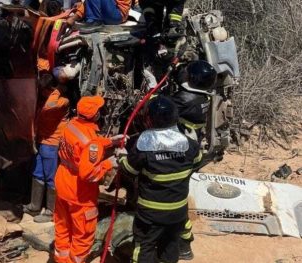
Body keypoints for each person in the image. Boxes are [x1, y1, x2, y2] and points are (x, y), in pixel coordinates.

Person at [118, 96, 202, 263]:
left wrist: (121, 158)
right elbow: (197, 163)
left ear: (149, 120)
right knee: (170, 245)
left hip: (150, 214)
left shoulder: (144, 147)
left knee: (144, 246)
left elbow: (128, 170)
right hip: (178, 212)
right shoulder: (190, 145)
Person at [53, 95, 124, 263]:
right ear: (95, 115)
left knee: (62, 229)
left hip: (63, 183)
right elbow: (88, 173)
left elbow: (84, 142)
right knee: (82, 235)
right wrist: (109, 163)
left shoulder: (71, 125)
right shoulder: (92, 142)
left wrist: (109, 142)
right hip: (80, 194)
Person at [170, 60, 217, 260]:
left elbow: (158, 106)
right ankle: (184, 244)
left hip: (180, 154)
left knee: (174, 200)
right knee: (179, 198)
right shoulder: (202, 97)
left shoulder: (185, 98)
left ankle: (183, 246)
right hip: (192, 149)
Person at [22, 66, 71, 223]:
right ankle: (35, 206)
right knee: (37, 173)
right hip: (42, 142)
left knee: (51, 178)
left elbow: (48, 108)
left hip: (52, 144)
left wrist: (56, 91)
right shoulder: (47, 101)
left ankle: (51, 211)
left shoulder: (61, 102)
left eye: (44, 90)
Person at [66, 0, 132, 32]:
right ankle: (91, 21)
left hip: (118, 14)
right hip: (110, 14)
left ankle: (94, 22)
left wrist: (74, 18)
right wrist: (74, 17)